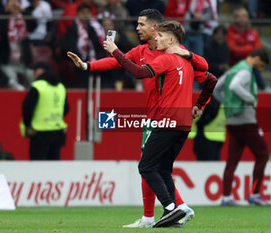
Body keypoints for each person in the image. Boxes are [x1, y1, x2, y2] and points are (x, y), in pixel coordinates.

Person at [67, 9, 209, 228]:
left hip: (162, 117)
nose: (137, 28)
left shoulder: (173, 56)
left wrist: (200, 104)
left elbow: (206, 74)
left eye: (141, 24)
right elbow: (117, 63)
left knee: (148, 165)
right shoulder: (142, 51)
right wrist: (88, 66)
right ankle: (167, 211)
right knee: (157, 167)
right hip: (161, 117)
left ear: (155, 28)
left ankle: (169, 210)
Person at [102, 20, 217, 227]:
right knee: (163, 169)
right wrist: (199, 105)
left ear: (171, 39)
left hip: (166, 121)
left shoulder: (167, 59)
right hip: (183, 124)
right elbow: (211, 79)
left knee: (146, 167)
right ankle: (174, 218)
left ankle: (173, 208)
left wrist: (115, 51)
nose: (157, 38)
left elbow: (138, 73)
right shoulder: (188, 61)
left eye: (161, 36)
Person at [214, 48, 271, 206]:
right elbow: (234, 86)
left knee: (232, 160)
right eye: (261, 64)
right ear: (256, 57)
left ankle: (226, 197)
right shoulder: (245, 71)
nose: (260, 68)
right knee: (263, 154)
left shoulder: (234, 69)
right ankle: (255, 193)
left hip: (232, 121)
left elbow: (217, 86)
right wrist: (250, 99)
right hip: (246, 120)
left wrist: (226, 102)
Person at [22, 62, 69, 160]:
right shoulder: (60, 87)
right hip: (57, 133)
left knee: (38, 169)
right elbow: (66, 108)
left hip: (39, 133)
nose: (34, 73)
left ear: (42, 71)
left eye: (36, 70)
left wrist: (28, 125)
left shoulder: (38, 86)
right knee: (53, 168)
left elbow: (26, 107)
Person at [61, 3, 105, 88]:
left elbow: (98, 47)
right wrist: (80, 57)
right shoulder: (72, 29)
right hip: (77, 59)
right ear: (78, 14)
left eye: (87, 12)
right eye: (83, 12)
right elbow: (68, 47)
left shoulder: (94, 29)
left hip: (93, 59)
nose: (85, 15)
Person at [189, 95, 226, 161]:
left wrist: (198, 123)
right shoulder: (221, 97)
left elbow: (211, 113)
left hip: (206, 136)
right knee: (212, 166)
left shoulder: (212, 97)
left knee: (205, 166)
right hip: (217, 136)